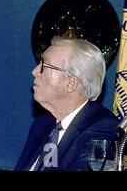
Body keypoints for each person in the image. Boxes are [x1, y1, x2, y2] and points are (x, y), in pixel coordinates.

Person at [15, 36, 120, 171]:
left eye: (44, 65)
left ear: (70, 83)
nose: (35, 71)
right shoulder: (42, 124)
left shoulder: (103, 129)